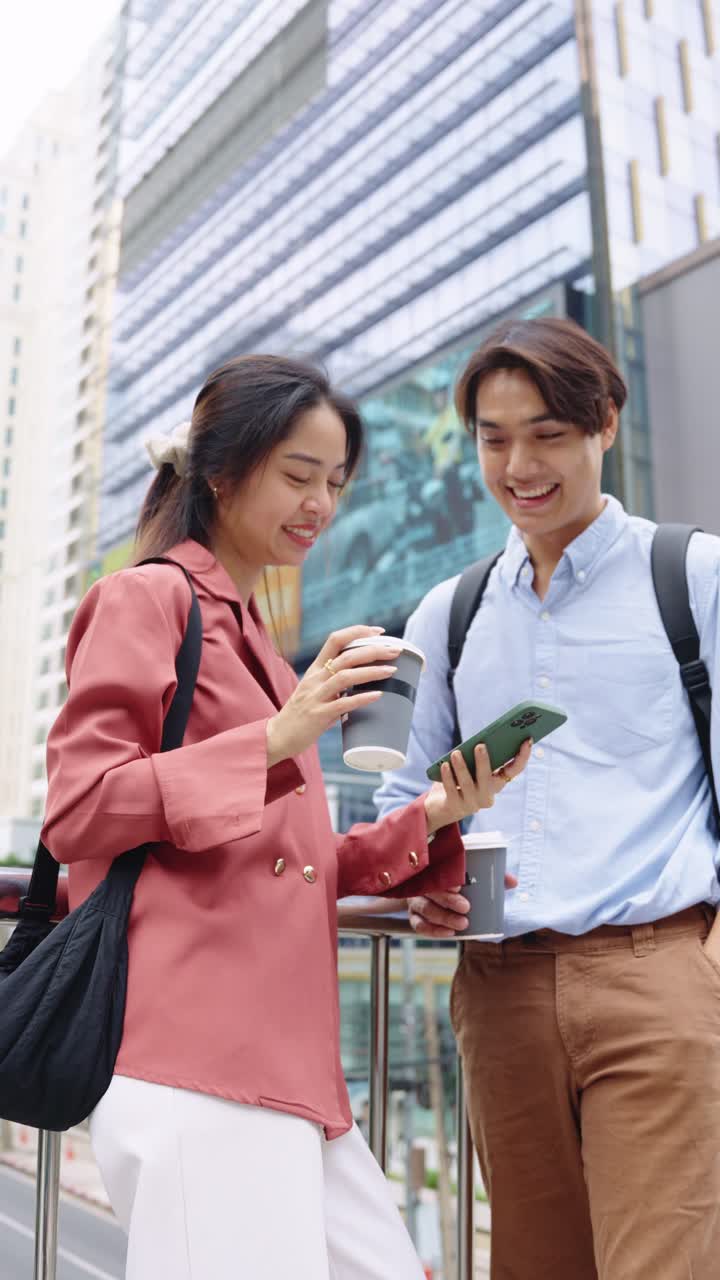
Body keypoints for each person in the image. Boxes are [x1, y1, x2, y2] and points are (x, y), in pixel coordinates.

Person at [41, 355, 531, 1280]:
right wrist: (280, 734)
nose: (321, 504)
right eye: (298, 474)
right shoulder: (148, 599)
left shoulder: (258, 641)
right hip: (192, 1056)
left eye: (336, 483)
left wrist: (434, 810)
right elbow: (81, 808)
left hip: (290, 1073)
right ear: (222, 471)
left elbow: (294, 858)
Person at [375, 318, 720, 1279]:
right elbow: (401, 804)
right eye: (494, 438)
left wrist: (707, 973)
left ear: (604, 423)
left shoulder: (696, 576)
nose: (519, 464)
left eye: (548, 433)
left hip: (659, 975)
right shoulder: (447, 612)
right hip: (499, 989)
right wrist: (427, 869)